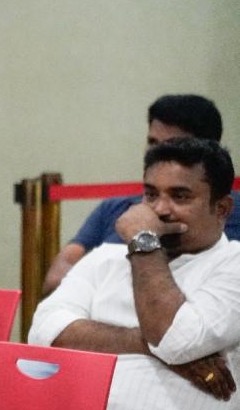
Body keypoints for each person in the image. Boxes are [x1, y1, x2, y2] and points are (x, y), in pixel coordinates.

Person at [30, 137, 240, 410]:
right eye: (151, 195)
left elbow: (175, 339)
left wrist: (144, 242)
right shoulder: (104, 259)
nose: (159, 210)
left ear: (221, 208)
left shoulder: (232, 265)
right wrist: (146, 345)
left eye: (180, 196)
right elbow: (45, 332)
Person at [43, 94, 240, 294]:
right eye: (153, 142)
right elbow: (55, 280)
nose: (157, 153)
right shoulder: (113, 208)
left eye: (172, 144)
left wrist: (142, 242)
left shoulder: (225, 216)